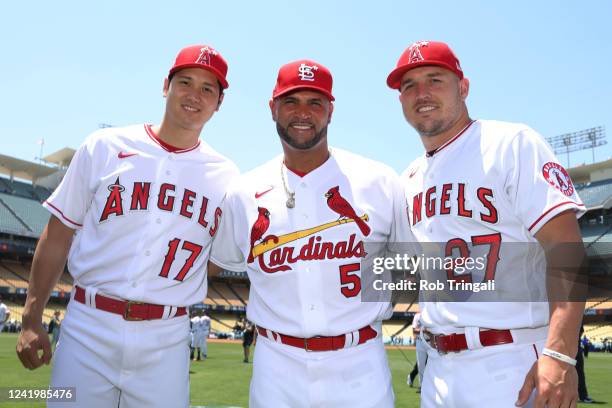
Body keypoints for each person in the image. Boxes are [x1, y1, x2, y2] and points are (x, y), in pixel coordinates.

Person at [15, 44, 239, 408]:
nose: (194, 95)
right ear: (165, 86)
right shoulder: (104, 146)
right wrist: (30, 317)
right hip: (90, 323)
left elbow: (218, 258)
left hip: (166, 336)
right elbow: (57, 234)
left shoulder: (226, 176)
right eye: (185, 82)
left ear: (219, 103)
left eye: (207, 89)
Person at [387, 40, 586, 407]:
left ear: (463, 87)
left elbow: (566, 249)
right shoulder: (409, 178)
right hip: (438, 367)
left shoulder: (511, 143)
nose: (422, 93)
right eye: (409, 85)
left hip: (509, 362)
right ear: (401, 101)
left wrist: (559, 354)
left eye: (435, 79)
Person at [210, 59, 415, 407]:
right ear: (272, 108)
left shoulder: (379, 180)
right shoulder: (243, 192)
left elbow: (410, 264)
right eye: (291, 101)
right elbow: (216, 263)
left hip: (359, 362)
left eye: (315, 102)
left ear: (330, 110)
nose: (302, 113)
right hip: (277, 365)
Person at [407, 312, 427, 390]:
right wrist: (423, 330)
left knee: (430, 364)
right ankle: (422, 386)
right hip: (420, 341)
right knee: (421, 365)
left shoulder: (432, 312)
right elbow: (414, 329)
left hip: (431, 342)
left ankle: (429, 385)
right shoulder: (418, 315)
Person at [576, 325, 594, 403]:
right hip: (572, 347)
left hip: (574, 346)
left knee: (579, 373)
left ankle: (583, 396)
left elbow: (580, 330)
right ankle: (583, 396)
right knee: (579, 373)